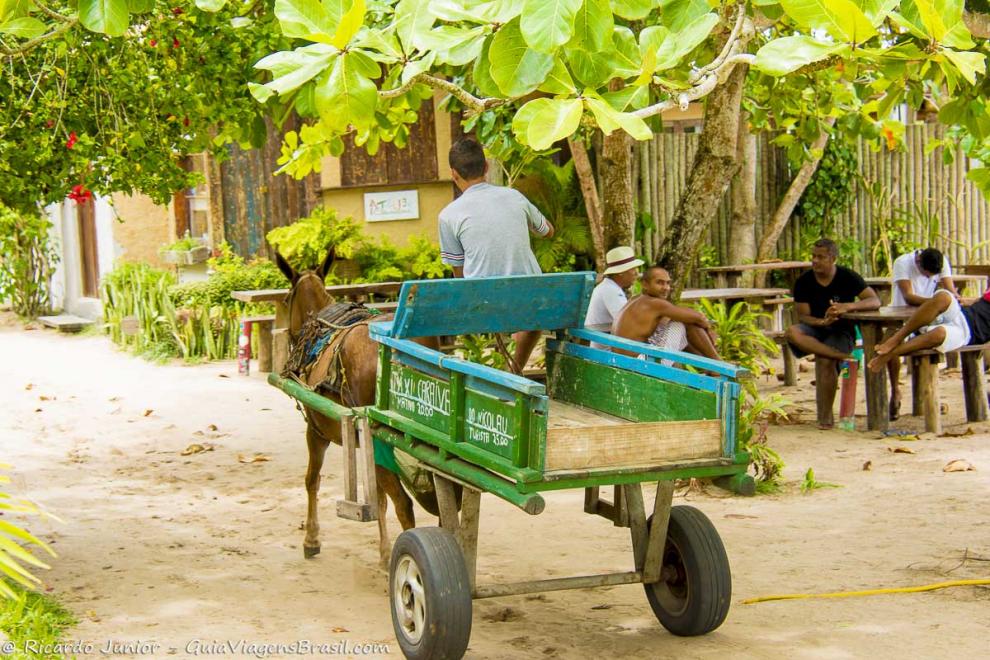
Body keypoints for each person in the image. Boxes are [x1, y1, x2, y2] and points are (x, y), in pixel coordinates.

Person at [438, 138, 555, 373]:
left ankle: (501, 374)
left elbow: (458, 273)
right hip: (530, 298)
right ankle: (515, 370)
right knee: (531, 320)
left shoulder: (448, 215)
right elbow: (548, 231)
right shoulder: (515, 197)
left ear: (453, 173)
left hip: (485, 303)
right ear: (486, 167)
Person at [785, 238, 881, 429]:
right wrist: (822, 321)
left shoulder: (848, 276)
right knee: (792, 331)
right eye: (813, 256)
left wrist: (848, 306)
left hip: (842, 330)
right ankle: (844, 357)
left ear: (833, 258)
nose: (815, 261)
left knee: (824, 360)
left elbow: (874, 301)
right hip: (814, 329)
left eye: (821, 257)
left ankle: (826, 417)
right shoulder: (804, 281)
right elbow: (803, 316)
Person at [885, 247, 959, 420]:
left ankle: (930, 397)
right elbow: (909, 296)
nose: (930, 279)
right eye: (927, 275)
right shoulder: (903, 262)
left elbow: (950, 290)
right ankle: (896, 390)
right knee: (890, 340)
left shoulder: (941, 261)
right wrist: (937, 303)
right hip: (901, 317)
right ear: (918, 262)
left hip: (929, 319)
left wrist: (952, 299)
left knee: (938, 340)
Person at [868, 288, 990, 373]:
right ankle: (896, 339)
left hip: (968, 333)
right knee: (943, 297)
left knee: (939, 333)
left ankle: (890, 354)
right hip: (961, 314)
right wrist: (969, 300)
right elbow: (981, 300)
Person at [612, 266, 720, 361]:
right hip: (638, 362)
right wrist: (708, 329)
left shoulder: (636, 299)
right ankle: (717, 365)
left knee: (678, 324)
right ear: (645, 284)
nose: (666, 288)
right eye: (660, 282)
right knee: (684, 323)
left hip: (624, 360)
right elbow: (698, 318)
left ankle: (709, 366)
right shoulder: (654, 303)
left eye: (668, 283)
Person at [584, 246, 644, 349]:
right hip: (606, 353)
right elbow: (629, 323)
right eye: (633, 269)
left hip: (606, 347)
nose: (636, 273)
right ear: (621, 272)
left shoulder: (609, 287)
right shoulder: (611, 290)